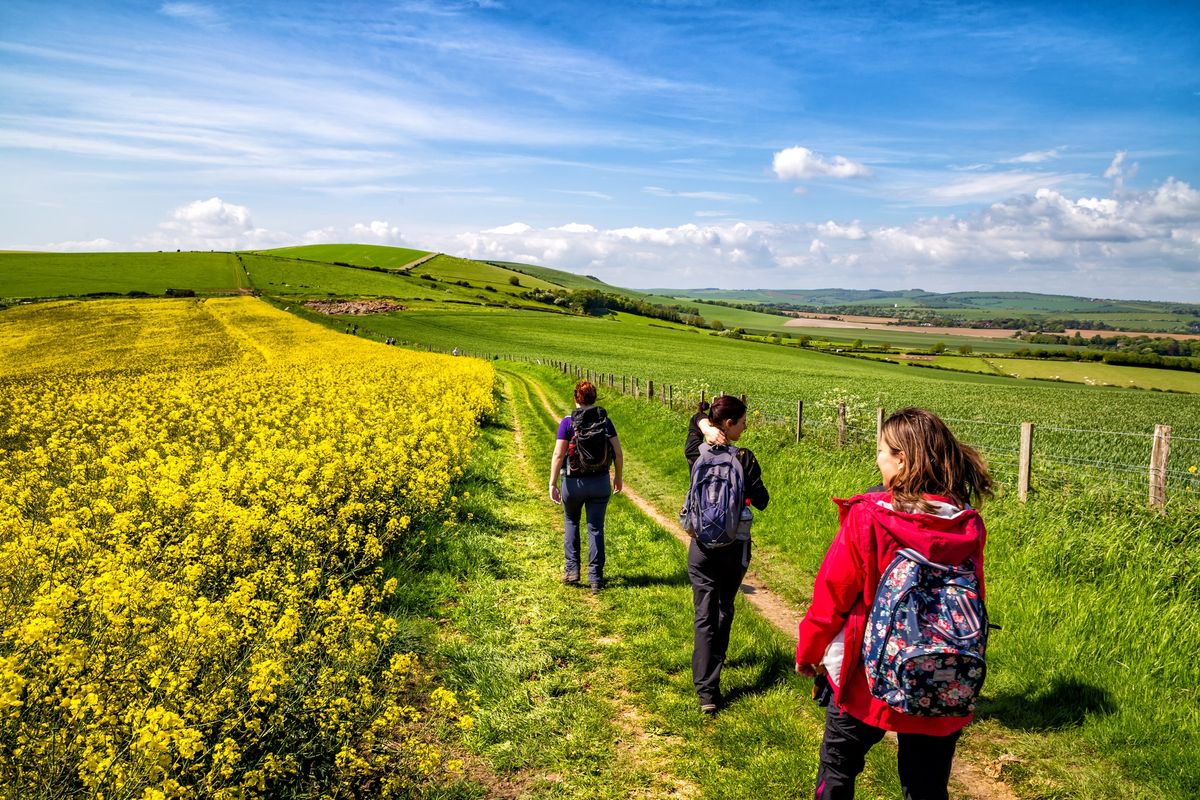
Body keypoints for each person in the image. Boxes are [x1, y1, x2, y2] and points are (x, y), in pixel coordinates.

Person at [796, 407, 992, 800]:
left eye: (882, 451)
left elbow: (831, 598)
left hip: (865, 678)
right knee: (926, 789)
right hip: (937, 676)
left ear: (902, 459)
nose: (877, 460)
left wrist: (809, 653)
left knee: (837, 774)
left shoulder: (869, 517)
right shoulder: (966, 524)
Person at [684, 395, 769, 715]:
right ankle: (713, 674)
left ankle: (706, 691)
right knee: (723, 608)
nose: (746, 427)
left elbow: (693, 422)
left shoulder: (696, 452)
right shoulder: (745, 458)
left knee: (704, 614)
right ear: (730, 423)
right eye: (743, 422)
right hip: (735, 547)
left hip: (701, 546)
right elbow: (762, 500)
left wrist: (703, 424)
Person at [549, 380, 624, 593]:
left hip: (573, 483)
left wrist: (552, 482)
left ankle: (572, 571)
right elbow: (618, 453)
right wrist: (618, 477)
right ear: (595, 397)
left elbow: (558, 454)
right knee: (595, 528)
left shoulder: (567, 423)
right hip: (600, 481)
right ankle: (596, 578)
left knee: (571, 521)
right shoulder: (605, 422)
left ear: (575, 398)